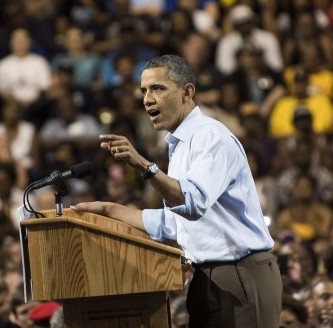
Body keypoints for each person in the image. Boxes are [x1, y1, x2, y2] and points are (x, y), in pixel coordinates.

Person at [72, 54, 282, 328]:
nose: (147, 99)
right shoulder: (181, 144)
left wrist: (143, 165)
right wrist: (110, 210)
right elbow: (177, 222)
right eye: (143, 91)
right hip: (210, 278)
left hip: (240, 275)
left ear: (187, 92)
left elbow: (191, 203)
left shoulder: (209, 135)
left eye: (157, 88)